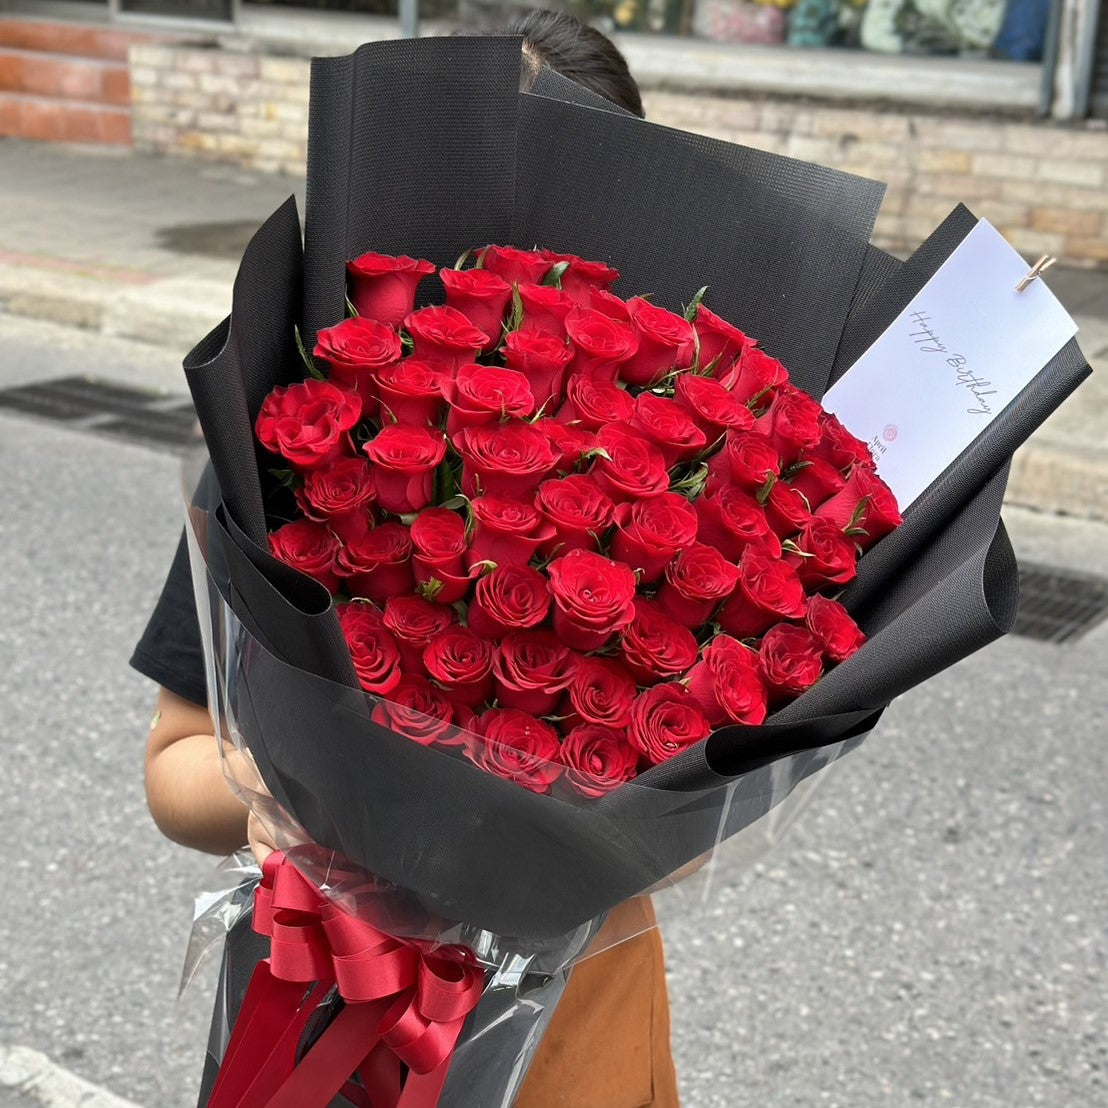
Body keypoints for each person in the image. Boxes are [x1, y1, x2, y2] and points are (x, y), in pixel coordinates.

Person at [133, 10, 677, 1107]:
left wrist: (555, 827)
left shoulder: (672, 495)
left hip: (568, 1026)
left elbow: (697, 829)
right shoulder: (286, 460)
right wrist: (271, 804)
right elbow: (175, 767)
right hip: (315, 988)